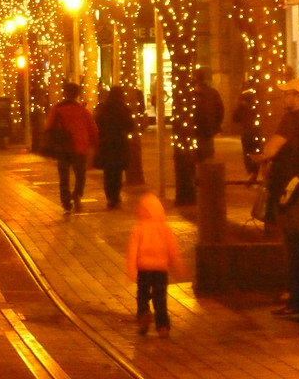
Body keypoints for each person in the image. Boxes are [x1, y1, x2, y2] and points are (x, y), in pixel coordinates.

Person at [253, 77, 299, 317]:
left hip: (290, 189)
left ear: (298, 97)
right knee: (298, 245)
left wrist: (263, 157)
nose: (284, 98)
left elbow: (272, 147)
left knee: (295, 245)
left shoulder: (292, 120)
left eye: (287, 94)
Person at [126, 192, 186, 337]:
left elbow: (132, 249)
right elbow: (172, 248)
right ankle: (163, 326)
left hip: (144, 268)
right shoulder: (165, 228)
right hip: (160, 269)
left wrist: (131, 269)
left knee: (142, 295)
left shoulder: (138, 228)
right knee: (160, 297)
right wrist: (177, 265)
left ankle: (143, 315)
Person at [45, 82, 98, 214]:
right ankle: (77, 194)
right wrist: (95, 143)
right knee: (80, 174)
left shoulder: (57, 109)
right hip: (80, 147)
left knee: (64, 176)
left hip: (63, 147)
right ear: (77, 94)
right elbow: (93, 129)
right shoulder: (82, 110)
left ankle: (66, 201)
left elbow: (49, 127)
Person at [95, 85, 134, 209]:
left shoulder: (103, 108)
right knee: (117, 172)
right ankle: (115, 196)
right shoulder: (123, 108)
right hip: (119, 143)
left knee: (108, 172)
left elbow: (97, 123)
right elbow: (130, 125)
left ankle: (110, 196)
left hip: (106, 143)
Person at [193, 68, 224, 162]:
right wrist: (216, 125)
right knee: (208, 157)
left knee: (197, 157)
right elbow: (220, 110)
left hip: (196, 130)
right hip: (209, 130)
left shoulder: (192, 94)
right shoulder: (212, 93)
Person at [232, 88, 260, 183]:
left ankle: (251, 172)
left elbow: (235, 118)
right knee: (256, 152)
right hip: (256, 132)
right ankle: (255, 171)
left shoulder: (242, 107)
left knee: (247, 153)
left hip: (246, 133)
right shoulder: (256, 107)